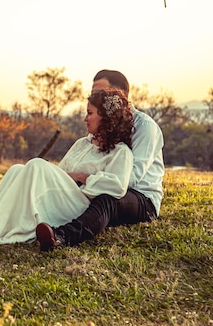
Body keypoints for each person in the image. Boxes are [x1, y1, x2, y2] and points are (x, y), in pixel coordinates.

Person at [0, 88, 134, 248]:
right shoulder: (82, 143)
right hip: (62, 197)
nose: (85, 118)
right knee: (16, 170)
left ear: (106, 118)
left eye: (90, 113)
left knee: (36, 165)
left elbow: (118, 186)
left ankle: (9, 234)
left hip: (81, 205)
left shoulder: (120, 152)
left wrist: (82, 177)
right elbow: (61, 173)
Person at [35, 69, 165, 251]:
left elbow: (131, 178)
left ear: (119, 95)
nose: (95, 97)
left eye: (100, 93)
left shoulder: (145, 127)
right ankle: (12, 223)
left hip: (141, 198)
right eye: (93, 93)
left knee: (106, 198)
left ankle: (61, 237)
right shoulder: (103, 124)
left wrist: (86, 178)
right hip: (108, 183)